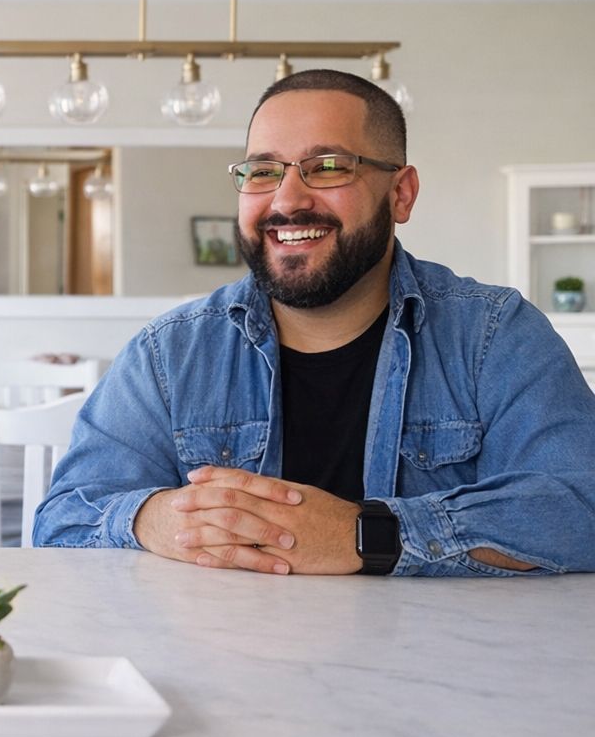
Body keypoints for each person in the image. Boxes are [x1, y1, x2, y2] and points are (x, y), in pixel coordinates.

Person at [34, 69, 595, 576]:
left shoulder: (494, 336)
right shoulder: (170, 354)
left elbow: (579, 504)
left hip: (442, 673)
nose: (287, 200)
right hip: (223, 667)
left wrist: (366, 534)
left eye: (328, 167)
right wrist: (154, 517)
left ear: (400, 193)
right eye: (262, 171)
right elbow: (60, 522)